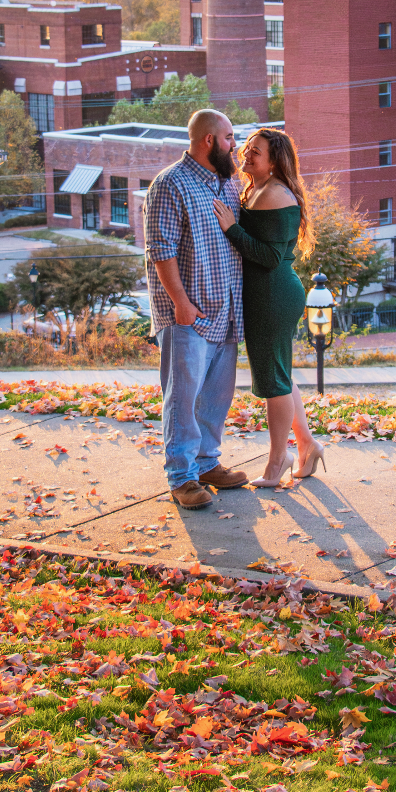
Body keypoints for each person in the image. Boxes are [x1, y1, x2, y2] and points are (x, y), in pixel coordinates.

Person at [143, 108, 251, 510]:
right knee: (182, 399)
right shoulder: (170, 184)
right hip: (188, 315)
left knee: (215, 397)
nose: (234, 146)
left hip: (225, 312)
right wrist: (180, 303)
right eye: (229, 138)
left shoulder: (228, 183)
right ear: (208, 140)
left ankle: (207, 464)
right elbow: (161, 250)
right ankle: (182, 477)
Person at [213, 127, 325, 487]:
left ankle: (278, 461)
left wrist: (232, 229)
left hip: (273, 296)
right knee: (280, 376)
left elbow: (271, 256)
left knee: (272, 382)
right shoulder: (258, 188)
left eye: (255, 152)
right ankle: (307, 445)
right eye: (246, 149)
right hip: (267, 295)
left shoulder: (276, 194)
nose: (246, 155)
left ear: (274, 161)